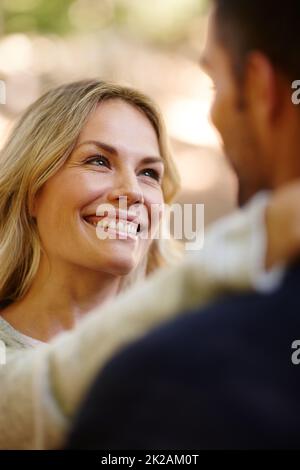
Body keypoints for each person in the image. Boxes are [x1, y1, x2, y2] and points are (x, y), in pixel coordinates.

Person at [66, 0, 300, 450]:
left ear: (258, 84)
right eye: (98, 161)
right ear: (30, 186)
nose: (131, 192)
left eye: (150, 173)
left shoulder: (175, 377)